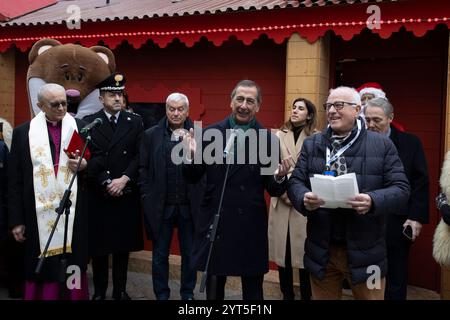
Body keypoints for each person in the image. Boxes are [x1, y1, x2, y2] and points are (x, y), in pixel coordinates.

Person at [287, 86, 410, 300]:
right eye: (329, 106)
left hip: (367, 252)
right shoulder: (313, 144)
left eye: (339, 105)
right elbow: (296, 181)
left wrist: (372, 200)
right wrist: (303, 197)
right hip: (322, 251)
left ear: (357, 110)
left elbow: (401, 189)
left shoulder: (381, 145)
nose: (332, 111)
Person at [183, 79, 290, 300]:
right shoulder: (211, 133)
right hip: (217, 220)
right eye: (239, 99)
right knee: (214, 286)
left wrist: (279, 177)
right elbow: (192, 177)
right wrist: (190, 156)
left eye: (250, 101)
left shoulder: (268, 140)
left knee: (252, 288)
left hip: (249, 223)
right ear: (231, 102)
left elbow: (273, 189)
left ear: (258, 106)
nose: (244, 105)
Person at [7, 83, 89, 300]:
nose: (62, 108)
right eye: (55, 104)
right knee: (41, 264)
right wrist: (16, 220)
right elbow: (13, 180)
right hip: (36, 213)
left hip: (72, 211)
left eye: (65, 103)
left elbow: (96, 163)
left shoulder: (80, 127)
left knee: (73, 261)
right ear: (40, 105)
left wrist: (84, 166)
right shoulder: (23, 133)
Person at [85, 73, 144, 300]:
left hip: (125, 191)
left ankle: (120, 290)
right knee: (100, 248)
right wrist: (107, 181)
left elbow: (140, 156)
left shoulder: (135, 121)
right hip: (101, 193)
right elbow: (90, 157)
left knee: (122, 247)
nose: (118, 98)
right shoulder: (91, 122)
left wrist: (124, 179)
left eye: (120, 94)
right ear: (101, 99)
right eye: (112, 94)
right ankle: (99, 292)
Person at [139, 93, 202, 300]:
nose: (175, 113)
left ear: (187, 110)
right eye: (171, 109)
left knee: (190, 256)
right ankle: (162, 295)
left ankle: (187, 294)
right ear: (166, 110)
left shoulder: (200, 135)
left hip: (189, 205)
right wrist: (146, 195)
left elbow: (207, 172)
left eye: (180, 109)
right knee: (159, 256)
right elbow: (144, 169)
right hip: (161, 205)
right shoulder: (151, 135)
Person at [364, 97, 429, 300]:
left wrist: (416, 217)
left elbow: (420, 182)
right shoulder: (358, 142)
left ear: (390, 118)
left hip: (398, 222)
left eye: (377, 120)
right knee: (371, 276)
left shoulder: (410, 143)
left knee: (396, 277)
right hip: (367, 221)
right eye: (367, 120)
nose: (371, 125)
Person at [268, 97, 317, 300]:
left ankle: (307, 295)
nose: (295, 111)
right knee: (283, 254)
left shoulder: (316, 138)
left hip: (303, 201)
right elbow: (270, 165)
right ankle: (286, 294)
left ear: (309, 115)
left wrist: (296, 192)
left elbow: (316, 170)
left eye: (300, 108)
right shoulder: (277, 136)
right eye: (293, 107)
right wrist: (285, 191)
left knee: (303, 253)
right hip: (281, 199)